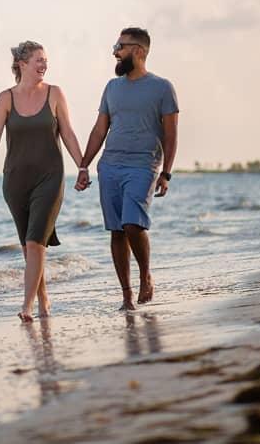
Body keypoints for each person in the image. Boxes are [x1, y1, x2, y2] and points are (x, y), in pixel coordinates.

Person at [0, 40, 85, 322]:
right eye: (38, 60)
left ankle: (27, 306)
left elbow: (69, 134)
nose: (44, 65)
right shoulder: (5, 98)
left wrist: (82, 166)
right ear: (21, 64)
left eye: (45, 60)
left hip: (50, 177)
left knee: (36, 242)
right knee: (28, 246)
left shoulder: (55, 94)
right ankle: (44, 299)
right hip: (15, 181)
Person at [75, 27, 179, 311]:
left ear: (139, 51)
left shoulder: (162, 88)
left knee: (133, 224)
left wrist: (166, 172)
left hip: (144, 166)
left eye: (120, 46)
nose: (115, 52)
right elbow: (99, 130)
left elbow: (171, 134)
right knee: (117, 231)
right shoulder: (111, 87)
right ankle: (126, 295)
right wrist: (84, 165)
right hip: (109, 166)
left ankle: (145, 274)